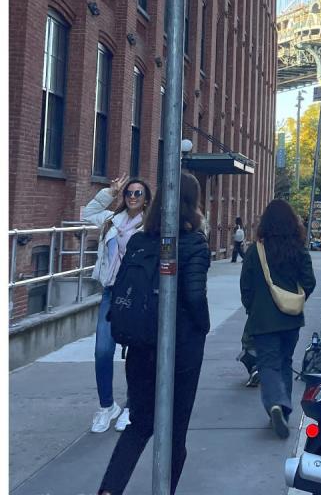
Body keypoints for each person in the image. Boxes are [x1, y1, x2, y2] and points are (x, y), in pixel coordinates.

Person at [97, 173, 211, 495]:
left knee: (139, 425)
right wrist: (203, 326)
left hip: (140, 344)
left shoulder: (140, 240)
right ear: (193, 203)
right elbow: (194, 296)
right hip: (181, 349)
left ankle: (108, 490)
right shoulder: (193, 243)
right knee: (175, 435)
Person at [81, 174, 152, 434]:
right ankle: (106, 406)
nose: (132, 197)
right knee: (102, 350)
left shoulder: (150, 226)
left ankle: (132, 407)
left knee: (136, 353)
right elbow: (87, 213)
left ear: (146, 200)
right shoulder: (112, 220)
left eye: (138, 194)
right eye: (129, 193)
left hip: (136, 295)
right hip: (111, 293)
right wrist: (109, 193)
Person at [240, 199, 317, 438]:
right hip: (290, 319)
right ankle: (283, 409)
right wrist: (297, 297)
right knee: (285, 361)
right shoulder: (298, 249)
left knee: (268, 364)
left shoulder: (256, 250)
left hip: (263, 319)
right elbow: (310, 282)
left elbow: (246, 285)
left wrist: (252, 307)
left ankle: (275, 402)